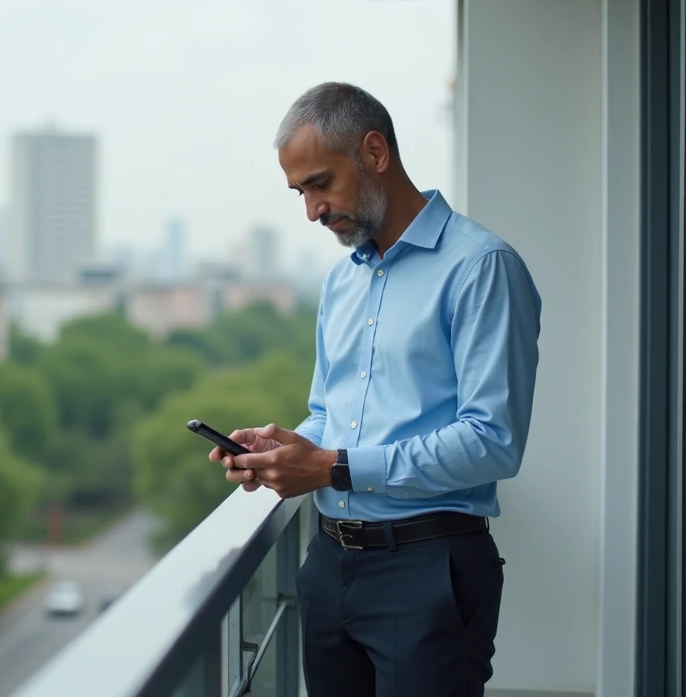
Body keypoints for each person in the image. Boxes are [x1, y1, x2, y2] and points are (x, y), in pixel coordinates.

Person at [209, 82, 541, 697]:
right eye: (299, 192)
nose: (311, 210)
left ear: (375, 153)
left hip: (429, 570)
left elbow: (494, 442)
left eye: (319, 184)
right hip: (328, 566)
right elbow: (326, 416)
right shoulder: (341, 284)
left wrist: (332, 467)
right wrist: (285, 448)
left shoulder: (481, 268)